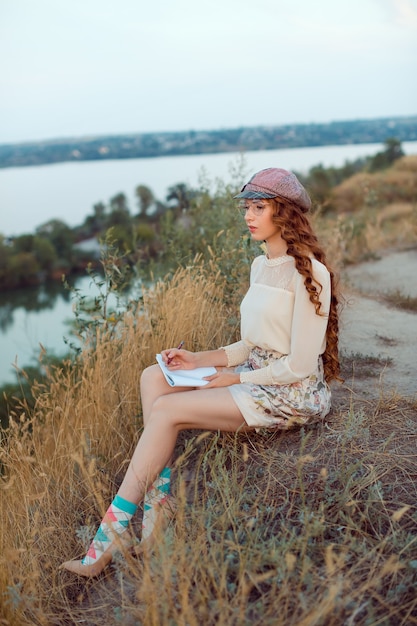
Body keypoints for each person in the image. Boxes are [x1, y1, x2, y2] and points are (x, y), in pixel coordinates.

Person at [60, 167, 340, 577]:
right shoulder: (260, 266)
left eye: (259, 207)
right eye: (247, 207)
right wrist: (197, 360)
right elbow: (250, 345)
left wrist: (235, 379)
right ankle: (158, 510)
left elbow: (298, 365)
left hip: (291, 392)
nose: (248, 216)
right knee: (152, 377)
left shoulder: (311, 273)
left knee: (167, 412)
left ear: (286, 213)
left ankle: (111, 535)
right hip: (257, 373)